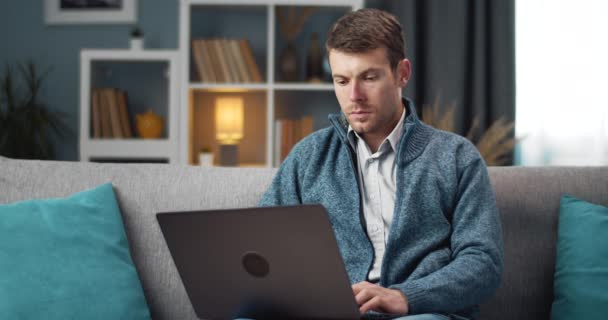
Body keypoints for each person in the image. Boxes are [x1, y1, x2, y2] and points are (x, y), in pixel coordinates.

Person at [259, 8, 503, 320]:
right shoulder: (308, 157)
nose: (354, 96)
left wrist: (405, 296)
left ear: (402, 73)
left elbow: (483, 263)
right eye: (342, 81)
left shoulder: (456, 157)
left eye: (369, 78)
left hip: (420, 313)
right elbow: (265, 248)